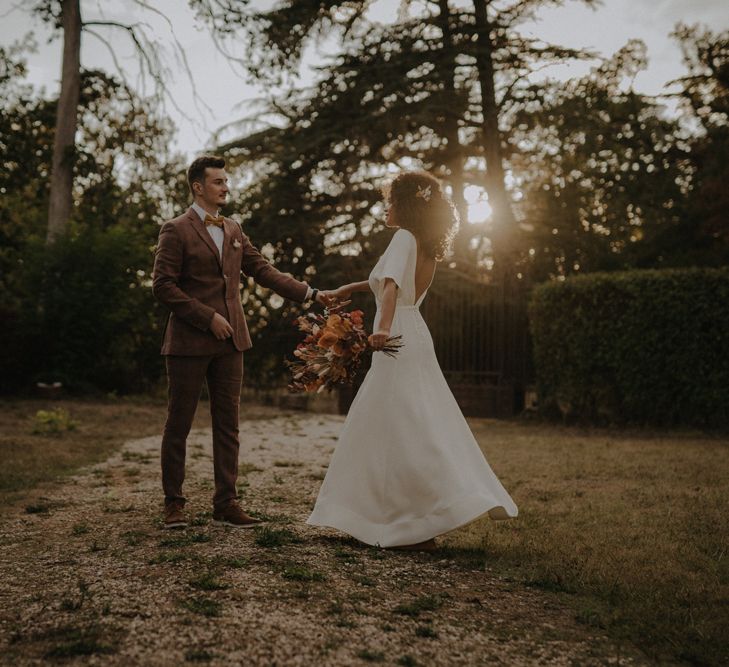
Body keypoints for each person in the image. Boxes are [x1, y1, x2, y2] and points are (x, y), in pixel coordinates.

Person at [306, 171, 518, 550]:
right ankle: (403, 517)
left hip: (397, 335)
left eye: (390, 201)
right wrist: (346, 290)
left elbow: (391, 287)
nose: (386, 208)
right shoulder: (424, 243)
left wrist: (381, 330)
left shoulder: (403, 237)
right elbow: (383, 281)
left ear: (404, 205)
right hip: (415, 333)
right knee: (412, 422)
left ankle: (399, 521)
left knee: (392, 424)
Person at [153, 155, 332, 529]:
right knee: (179, 423)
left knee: (229, 425)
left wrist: (310, 293)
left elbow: (263, 271)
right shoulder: (175, 229)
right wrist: (207, 317)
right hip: (188, 341)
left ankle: (227, 503)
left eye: (226, 181)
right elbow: (163, 287)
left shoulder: (234, 229)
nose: (225, 187)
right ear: (197, 187)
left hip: (232, 342)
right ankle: (174, 504)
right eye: (218, 181)